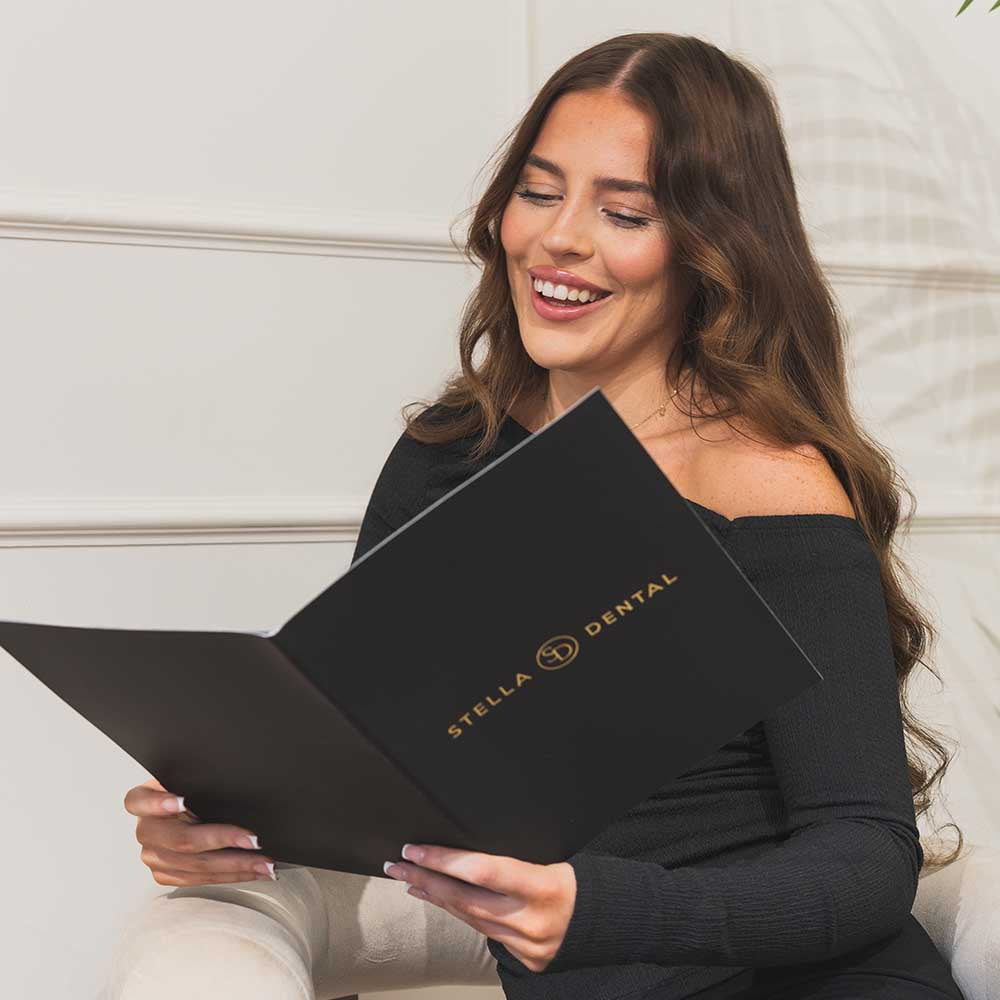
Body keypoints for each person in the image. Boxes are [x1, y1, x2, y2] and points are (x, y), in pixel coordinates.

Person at [107, 31, 968, 1000]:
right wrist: (226, 823)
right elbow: (361, 765)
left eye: (624, 210)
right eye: (539, 189)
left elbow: (864, 853)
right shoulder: (448, 455)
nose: (559, 237)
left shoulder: (771, 483)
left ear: (710, 245)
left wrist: (600, 911)